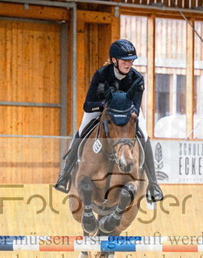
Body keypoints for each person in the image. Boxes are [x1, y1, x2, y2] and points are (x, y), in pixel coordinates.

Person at [54, 39, 163, 202]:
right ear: (114, 60)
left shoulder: (137, 79)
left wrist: (124, 112)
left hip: (127, 113)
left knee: (144, 136)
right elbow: (87, 105)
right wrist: (105, 107)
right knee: (82, 130)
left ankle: (153, 184)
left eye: (131, 60)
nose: (129, 64)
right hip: (101, 110)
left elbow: (135, 107)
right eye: (125, 60)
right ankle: (65, 174)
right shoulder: (101, 75)